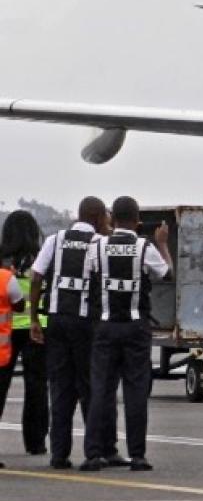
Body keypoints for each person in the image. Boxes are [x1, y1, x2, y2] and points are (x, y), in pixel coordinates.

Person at [83, 197, 170, 472]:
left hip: (106, 327)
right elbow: (166, 274)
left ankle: (94, 453)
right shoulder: (144, 247)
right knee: (135, 392)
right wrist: (163, 244)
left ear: (112, 218)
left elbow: (88, 276)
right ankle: (138, 455)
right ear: (137, 219)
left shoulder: (97, 246)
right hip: (135, 328)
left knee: (101, 391)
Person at [29, 197, 110, 470]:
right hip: (86, 324)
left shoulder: (56, 239)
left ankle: (59, 454)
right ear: (98, 218)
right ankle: (93, 452)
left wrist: (33, 319)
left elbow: (37, 275)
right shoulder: (99, 243)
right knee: (90, 388)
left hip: (57, 321)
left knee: (60, 389)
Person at [0, 211, 48, 457]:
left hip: (5, 330)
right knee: (37, 387)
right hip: (36, 327)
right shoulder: (41, 260)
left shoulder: (1, 261)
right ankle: (36, 442)